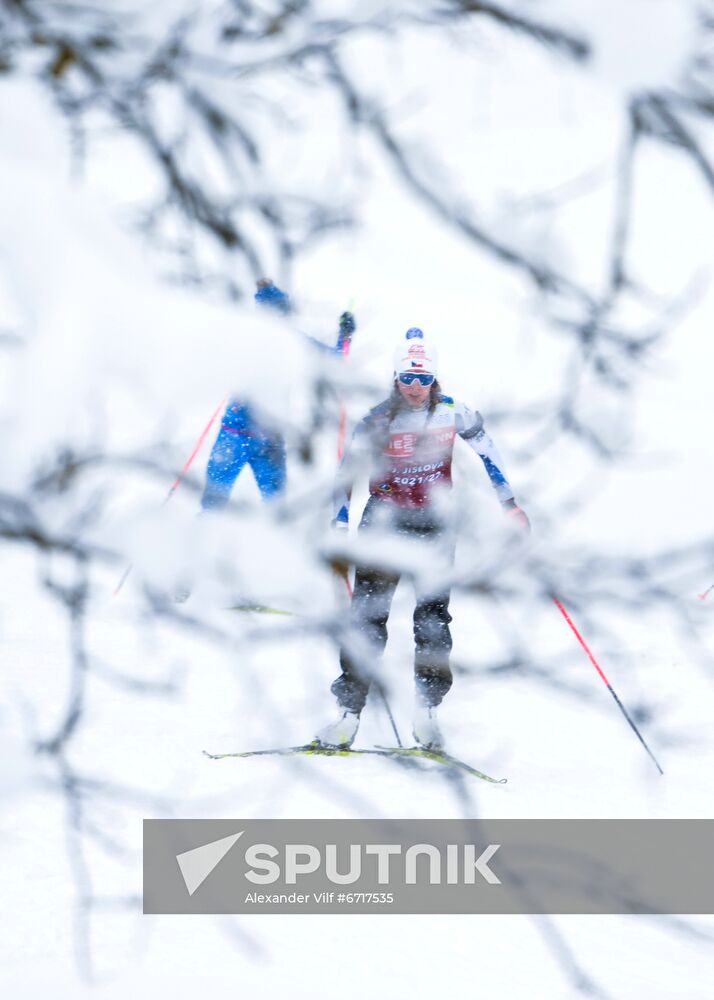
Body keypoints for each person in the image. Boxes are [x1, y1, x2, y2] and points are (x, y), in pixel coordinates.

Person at [316, 328, 529, 750]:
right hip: (382, 524)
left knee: (432, 619)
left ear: (435, 379)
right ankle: (348, 715)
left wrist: (510, 503)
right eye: (407, 378)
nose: (415, 387)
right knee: (366, 619)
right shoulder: (376, 420)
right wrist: (340, 520)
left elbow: (488, 451)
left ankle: (427, 711)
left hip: (434, 523)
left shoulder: (453, 413)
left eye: (423, 378)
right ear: (395, 378)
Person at [200, 279, 356, 510]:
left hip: (268, 438)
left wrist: (345, 335)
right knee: (214, 501)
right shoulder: (244, 338)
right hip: (234, 433)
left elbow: (333, 362)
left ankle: (274, 540)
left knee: (276, 506)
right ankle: (206, 535)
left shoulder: (292, 341)